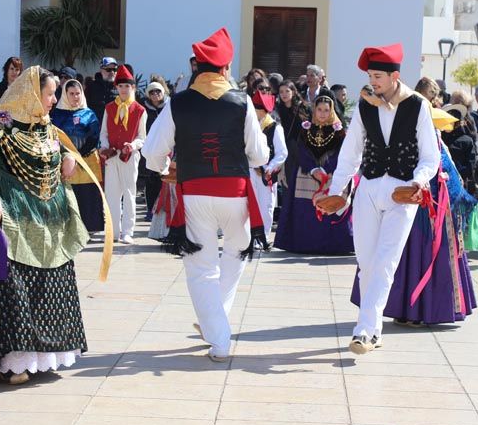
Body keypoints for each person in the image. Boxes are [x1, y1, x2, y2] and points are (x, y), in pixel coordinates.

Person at [0, 66, 92, 384]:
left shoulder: (48, 130)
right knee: (14, 293)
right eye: (50, 93)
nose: (54, 100)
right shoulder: (2, 130)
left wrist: (70, 157)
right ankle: (14, 362)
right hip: (10, 223)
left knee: (45, 292)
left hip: (46, 225)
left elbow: (62, 152)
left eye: (54, 94)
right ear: (30, 95)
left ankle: (41, 357)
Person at [142, 27, 270, 362]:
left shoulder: (178, 102)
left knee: (201, 267)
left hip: (195, 193)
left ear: (198, 68)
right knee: (236, 255)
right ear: (226, 69)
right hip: (237, 195)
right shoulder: (242, 102)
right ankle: (217, 327)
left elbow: (153, 151)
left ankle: (218, 334)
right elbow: (259, 156)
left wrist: (164, 168)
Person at [317, 43, 440, 354]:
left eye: (378, 77)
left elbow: (430, 157)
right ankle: (375, 328)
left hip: (402, 193)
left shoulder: (418, 106)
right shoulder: (364, 106)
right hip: (369, 190)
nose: (373, 82)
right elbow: (350, 154)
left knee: (386, 261)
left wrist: (416, 182)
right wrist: (337, 192)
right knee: (367, 262)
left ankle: (363, 331)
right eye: (370, 76)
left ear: (394, 76)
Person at [359, 93, 476, 327]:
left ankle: (412, 310)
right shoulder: (413, 139)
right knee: (398, 257)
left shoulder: (435, 142)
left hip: (430, 210)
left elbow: (450, 177)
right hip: (410, 206)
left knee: (410, 257)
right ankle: (404, 310)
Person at [274, 95, 353, 255]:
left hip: (332, 174)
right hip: (307, 174)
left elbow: (342, 154)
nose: (323, 113)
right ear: (314, 110)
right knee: (305, 209)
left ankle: (333, 246)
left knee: (330, 205)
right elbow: (301, 151)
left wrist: (327, 169)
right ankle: (304, 244)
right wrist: (313, 169)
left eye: (326, 110)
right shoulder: (306, 129)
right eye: (319, 110)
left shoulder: (339, 132)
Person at [99, 65, 146, 244]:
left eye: (127, 86)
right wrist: (105, 147)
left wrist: (132, 146)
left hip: (129, 156)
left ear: (133, 87)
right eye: (120, 86)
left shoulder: (140, 110)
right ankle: (113, 231)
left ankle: (128, 231)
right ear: (116, 88)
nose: (124, 89)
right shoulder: (110, 108)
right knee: (111, 195)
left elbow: (142, 137)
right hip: (112, 156)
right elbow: (104, 132)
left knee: (129, 193)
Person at [50, 78, 104, 234]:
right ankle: (69, 228)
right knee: (68, 193)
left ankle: (89, 228)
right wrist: (67, 156)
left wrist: (78, 156)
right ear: (65, 94)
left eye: (77, 94)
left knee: (87, 194)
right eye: (71, 93)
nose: (75, 97)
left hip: (86, 161)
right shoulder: (57, 114)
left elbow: (94, 137)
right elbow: (54, 136)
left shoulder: (89, 114)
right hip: (65, 161)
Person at [249, 88, 288, 236]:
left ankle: (262, 237)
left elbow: (282, 153)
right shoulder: (250, 126)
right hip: (250, 171)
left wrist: (267, 168)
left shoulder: (275, 128)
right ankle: (250, 237)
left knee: (266, 206)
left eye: (256, 108)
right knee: (250, 205)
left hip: (266, 175)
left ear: (264, 110)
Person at [141, 81, 169, 217]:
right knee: (150, 180)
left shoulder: (169, 107)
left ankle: (164, 209)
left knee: (165, 179)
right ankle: (150, 209)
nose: (155, 94)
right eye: (152, 92)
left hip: (166, 147)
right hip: (150, 148)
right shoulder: (144, 109)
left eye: (158, 91)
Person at [86, 57, 119, 125]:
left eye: (114, 69)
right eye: (108, 69)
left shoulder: (120, 87)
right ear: (101, 70)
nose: (112, 72)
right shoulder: (92, 86)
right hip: (95, 126)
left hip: (114, 127)